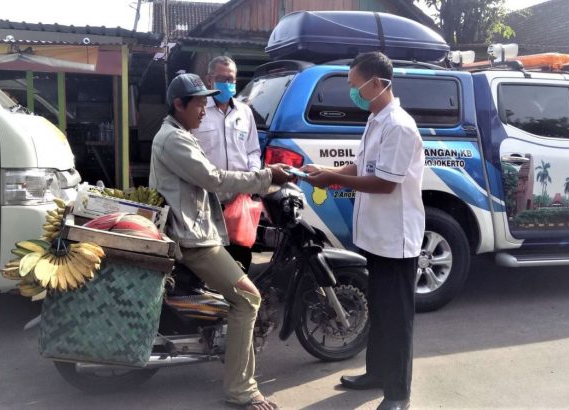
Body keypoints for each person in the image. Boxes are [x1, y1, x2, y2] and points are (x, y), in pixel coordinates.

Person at [149, 73, 290, 410]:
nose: (204, 108)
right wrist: (267, 177)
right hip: (192, 239)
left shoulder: (181, 133)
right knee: (247, 299)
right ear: (178, 104)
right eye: (198, 103)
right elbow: (212, 178)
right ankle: (241, 389)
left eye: (205, 102)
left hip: (197, 226)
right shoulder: (175, 139)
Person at [302, 52, 424, 410]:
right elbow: (363, 164)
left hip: (396, 238)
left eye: (356, 85)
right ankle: (376, 374)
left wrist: (332, 178)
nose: (352, 91)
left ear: (376, 83)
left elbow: (385, 183)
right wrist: (329, 169)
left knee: (397, 317)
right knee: (380, 309)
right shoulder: (376, 120)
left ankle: (398, 393)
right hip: (375, 235)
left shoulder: (399, 126)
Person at [192, 56, 261, 271]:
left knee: (240, 259)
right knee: (210, 260)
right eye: (221, 78)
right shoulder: (198, 112)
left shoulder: (244, 112)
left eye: (231, 79)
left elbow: (253, 150)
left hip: (239, 200)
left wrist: (253, 177)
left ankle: (238, 301)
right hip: (207, 201)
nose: (227, 83)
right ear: (209, 79)